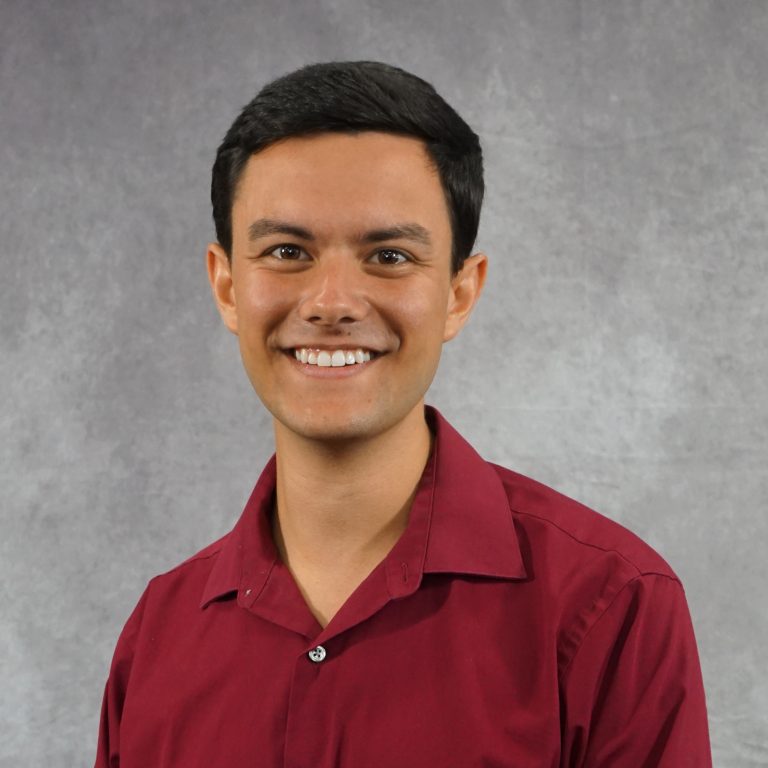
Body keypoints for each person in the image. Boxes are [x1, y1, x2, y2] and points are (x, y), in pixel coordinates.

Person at [95, 61, 711, 767]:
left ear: (459, 292)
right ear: (228, 286)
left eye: (388, 255)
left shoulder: (612, 606)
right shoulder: (157, 638)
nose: (332, 302)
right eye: (287, 252)